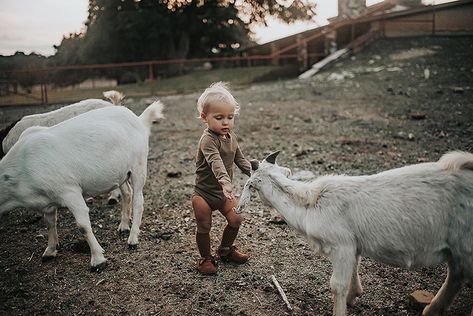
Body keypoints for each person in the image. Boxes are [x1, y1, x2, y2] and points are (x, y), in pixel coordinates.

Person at [192, 82, 251, 275]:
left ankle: (225, 250)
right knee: (204, 225)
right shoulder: (207, 140)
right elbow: (215, 161)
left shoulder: (230, 136)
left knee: (236, 219)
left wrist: (257, 175)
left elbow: (240, 160)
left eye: (230, 117)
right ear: (204, 118)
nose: (226, 122)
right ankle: (205, 258)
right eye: (219, 118)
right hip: (204, 194)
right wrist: (226, 182)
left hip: (223, 193)